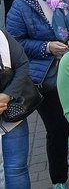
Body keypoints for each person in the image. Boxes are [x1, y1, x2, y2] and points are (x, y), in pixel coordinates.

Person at [7, 0, 69, 189]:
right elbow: (15, 43)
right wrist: (46, 47)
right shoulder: (23, 5)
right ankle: (59, 179)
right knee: (58, 128)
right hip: (47, 77)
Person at [0, 29, 33, 189]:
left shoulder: (1, 36)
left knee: (17, 168)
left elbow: (22, 64)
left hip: (11, 117)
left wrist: (7, 95)